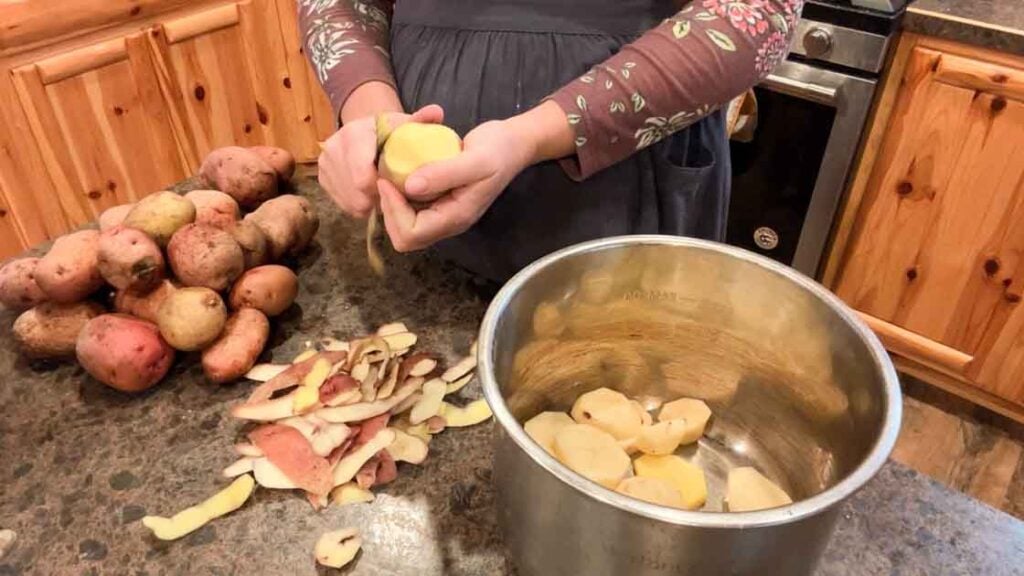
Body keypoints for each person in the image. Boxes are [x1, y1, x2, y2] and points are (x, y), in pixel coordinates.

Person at [302, 0, 803, 283]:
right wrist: (372, 116)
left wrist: (530, 137)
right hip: (406, 203)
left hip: (622, 179)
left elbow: (762, 12)